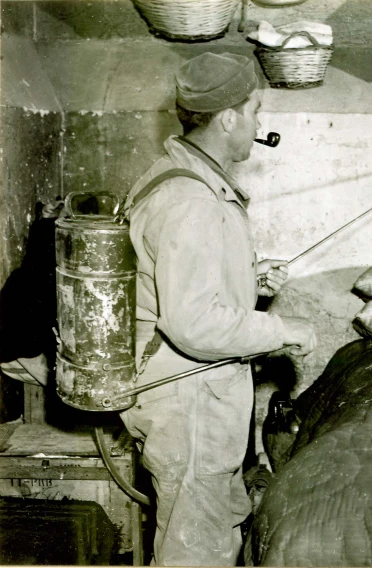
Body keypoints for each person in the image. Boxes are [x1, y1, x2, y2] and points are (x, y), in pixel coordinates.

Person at [119, 52, 316, 566]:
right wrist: (281, 328)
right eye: (254, 112)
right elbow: (193, 323)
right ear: (228, 118)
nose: (257, 125)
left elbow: (171, 283)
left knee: (212, 527)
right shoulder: (193, 202)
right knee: (196, 551)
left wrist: (247, 280)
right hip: (190, 402)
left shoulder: (175, 176)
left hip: (194, 395)